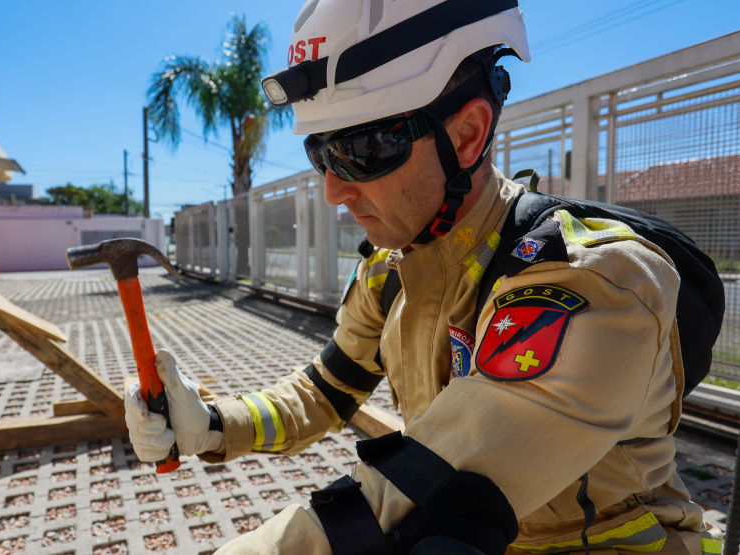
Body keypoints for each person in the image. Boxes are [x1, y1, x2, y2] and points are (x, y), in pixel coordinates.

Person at [125, 1, 723, 554]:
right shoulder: (390, 272)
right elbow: (324, 393)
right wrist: (209, 424)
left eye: (361, 147)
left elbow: (426, 489)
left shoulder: (596, 283)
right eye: (320, 153)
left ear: (465, 135)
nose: (333, 188)